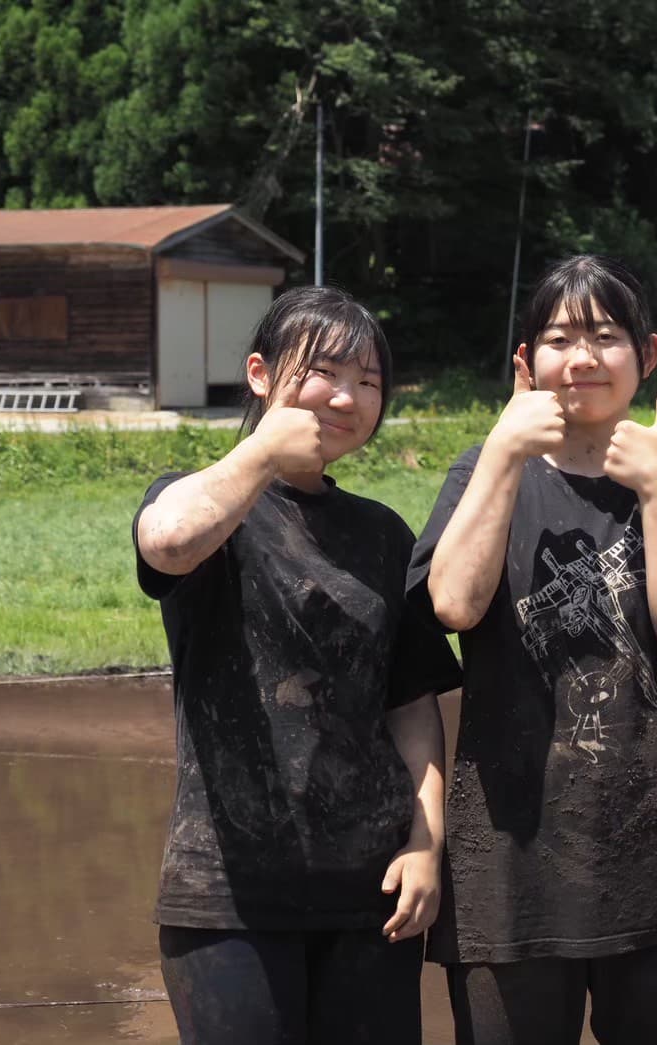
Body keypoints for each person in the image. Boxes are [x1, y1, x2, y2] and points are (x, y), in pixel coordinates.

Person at [407, 254, 657, 1045]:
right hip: (509, 868)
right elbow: (454, 604)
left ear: (649, 354)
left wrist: (656, 487)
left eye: (605, 336)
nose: (585, 357)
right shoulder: (484, 470)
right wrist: (501, 452)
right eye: (561, 338)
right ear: (525, 363)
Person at [132, 285, 462, 1045]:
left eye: (369, 379)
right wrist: (258, 453)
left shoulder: (382, 533)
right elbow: (168, 543)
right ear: (260, 373)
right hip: (228, 894)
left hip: (370, 890)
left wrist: (425, 841)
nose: (347, 395)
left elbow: (410, 705)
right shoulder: (201, 500)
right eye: (325, 370)